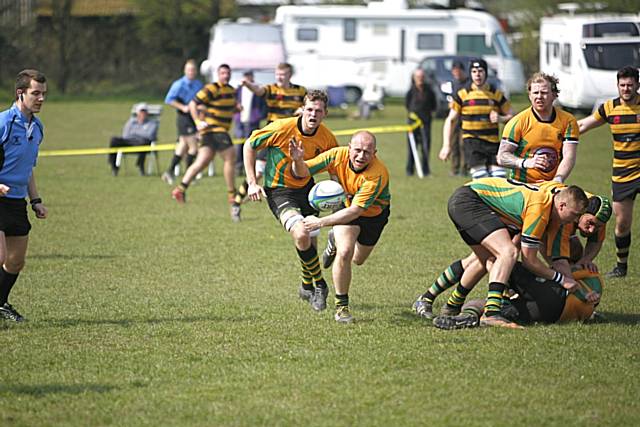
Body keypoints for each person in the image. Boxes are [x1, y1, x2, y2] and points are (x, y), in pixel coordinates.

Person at [413, 190, 611, 320]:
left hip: (515, 213)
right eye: (587, 222)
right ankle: (488, 310)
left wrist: (580, 277)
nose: (592, 230)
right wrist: (564, 279)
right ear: (566, 208)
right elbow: (538, 260)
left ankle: (450, 306)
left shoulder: (573, 208)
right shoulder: (560, 212)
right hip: (496, 208)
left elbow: (570, 254)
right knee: (502, 255)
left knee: (486, 259)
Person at [445, 177, 588, 328]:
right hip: (469, 200)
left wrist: (581, 293)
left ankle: (451, 306)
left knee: (489, 258)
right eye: (574, 214)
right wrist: (561, 279)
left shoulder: (551, 203)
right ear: (562, 206)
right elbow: (529, 261)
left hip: (467, 198)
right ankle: (491, 313)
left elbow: (550, 257)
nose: (576, 220)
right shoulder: (540, 209)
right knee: (507, 252)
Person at [243, 90, 337, 312]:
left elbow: (336, 166)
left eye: (319, 111)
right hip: (279, 191)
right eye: (310, 109)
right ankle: (320, 286)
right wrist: (251, 182)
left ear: (325, 114)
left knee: (309, 243)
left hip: (308, 190)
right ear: (303, 109)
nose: (313, 114)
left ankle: (306, 285)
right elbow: (249, 145)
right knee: (301, 233)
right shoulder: (282, 128)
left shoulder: (327, 137)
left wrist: (340, 195)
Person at [290, 131, 391, 323]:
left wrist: (320, 222)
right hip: (344, 208)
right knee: (344, 252)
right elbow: (303, 171)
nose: (361, 156)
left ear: (375, 153)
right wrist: (298, 160)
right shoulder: (336, 155)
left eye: (367, 152)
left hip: (372, 216)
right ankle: (341, 308)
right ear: (349, 147)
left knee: (358, 259)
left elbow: (356, 211)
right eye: (358, 150)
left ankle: (332, 239)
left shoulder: (377, 174)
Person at [578, 66, 640, 278]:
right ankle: (621, 266)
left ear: (637, 85)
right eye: (622, 85)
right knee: (622, 223)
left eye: (630, 85)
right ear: (617, 86)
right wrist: (560, 131)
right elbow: (584, 124)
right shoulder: (609, 108)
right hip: (622, 174)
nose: (626, 89)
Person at [0, 69, 48, 322]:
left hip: (17, 201)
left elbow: (28, 168)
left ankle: (0, 303)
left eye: (43, 94)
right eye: (35, 93)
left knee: (15, 261)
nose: (41, 99)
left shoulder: (37, 128)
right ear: (21, 93)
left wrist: (36, 200)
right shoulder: (3, 123)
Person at [432, 262, 603, 330]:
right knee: (483, 304)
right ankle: (467, 318)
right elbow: (589, 301)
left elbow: (561, 270)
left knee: (501, 258)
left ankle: (465, 313)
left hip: (552, 297)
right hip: (548, 314)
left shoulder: (584, 271)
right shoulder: (591, 281)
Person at [171, 64, 242, 222]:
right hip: (214, 129)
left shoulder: (231, 90)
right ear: (218, 74)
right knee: (230, 158)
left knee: (201, 162)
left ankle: (180, 189)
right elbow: (192, 104)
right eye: (223, 73)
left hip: (214, 131)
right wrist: (197, 121)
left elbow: (226, 108)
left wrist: (237, 108)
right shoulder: (211, 88)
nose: (226, 75)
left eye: (228, 73)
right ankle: (232, 194)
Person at [497, 72, 579, 184]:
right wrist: (525, 162)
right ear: (530, 95)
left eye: (544, 92)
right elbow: (501, 157)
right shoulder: (517, 122)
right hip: (521, 185)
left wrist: (557, 180)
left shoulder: (568, 121)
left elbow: (569, 156)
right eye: (535, 92)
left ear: (554, 95)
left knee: (596, 201)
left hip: (552, 184)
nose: (539, 96)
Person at [439, 58, 514, 179]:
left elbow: (513, 117)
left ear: (485, 73)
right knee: (482, 178)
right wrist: (446, 145)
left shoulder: (496, 94)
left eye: (480, 71)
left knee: (499, 177)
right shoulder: (463, 94)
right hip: (472, 142)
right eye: (474, 71)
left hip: (493, 142)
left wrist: (500, 118)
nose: (477, 74)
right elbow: (450, 120)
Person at [241, 63, 306, 187]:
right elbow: (259, 90)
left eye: (283, 74)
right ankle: (238, 199)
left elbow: (308, 104)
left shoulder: (300, 90)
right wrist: (248, 84)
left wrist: (302, 109)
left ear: (290, 75)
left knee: (293, 168)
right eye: (277, 74)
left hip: (291, 132)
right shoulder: (271, 89)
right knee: (259, 169)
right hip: (273, 130)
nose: (279, 77)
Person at [161, 59, 204, 185]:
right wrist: (183, 107)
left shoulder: (198, 84)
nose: (191, 72)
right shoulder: (178, 84)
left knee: (182, 147)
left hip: (194, 117)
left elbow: (202, 101)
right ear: (185, 71)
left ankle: (169, 172)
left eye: (193, 70)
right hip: (184, 118)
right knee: (193, 147)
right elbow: (169, 99)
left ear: (195, 71)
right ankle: (189, 175)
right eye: (189, 70)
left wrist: (201, 110)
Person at [108, 103, 159, 176]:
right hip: (129, 142)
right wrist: (140, 133)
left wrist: (135, 133)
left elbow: (149, 135)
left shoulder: (152, 123)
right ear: (137, 113)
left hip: (143, 143)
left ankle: (140, 165)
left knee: (144, 142)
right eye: (141, 111)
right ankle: (114, 167)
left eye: (145, 111)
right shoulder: (131, 122)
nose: (143, 113)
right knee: (114, 140)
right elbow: (125, 135)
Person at [233, 70, 266, 175]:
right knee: (239, 145)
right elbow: (232, 100)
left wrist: (259, 116)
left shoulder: (257, 89)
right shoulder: (238, 90)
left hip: (253, 120)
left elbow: (263, 104)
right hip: (240, 120)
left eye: (249, 76)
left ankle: (251, 167)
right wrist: (236, 106)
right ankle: (239, 167)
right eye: (246, 76)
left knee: (252, 145)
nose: (247, 78)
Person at [405, 68, 436, 177]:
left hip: (426, 123)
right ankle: (410, 170)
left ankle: (426, 170)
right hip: (412, 124)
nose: (420, 79)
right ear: (414, 78)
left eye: (422, 77)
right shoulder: (411, 91)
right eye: (418, 77)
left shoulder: (429, 91)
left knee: (426, 147)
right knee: (412, 147)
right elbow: (407, 105)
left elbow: (433, 106)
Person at [448, 60, 469, 177]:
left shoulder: (468, 84)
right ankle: (454, 168)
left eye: (458, 71)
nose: (456, 73)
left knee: (463, 144)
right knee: (453, 143)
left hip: (466, 116)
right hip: (455, 117)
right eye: (454, 71)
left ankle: (464, 168)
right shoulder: (454, 83)